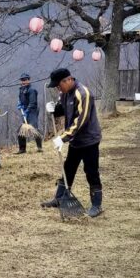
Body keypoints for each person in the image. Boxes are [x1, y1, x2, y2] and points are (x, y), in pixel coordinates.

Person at [42, 68, 103, 217]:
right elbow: (64, 110)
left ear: (68, 80)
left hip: (89, 140)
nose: (58, 88)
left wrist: (63, 138)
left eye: (58, 85)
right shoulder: (65, 93)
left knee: (91, 171)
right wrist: (54, 110)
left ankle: (96, 205)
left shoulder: (83, 94)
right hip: (75, 140)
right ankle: (59, 198)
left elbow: (80, 120)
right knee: (68, 168)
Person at [17, 73, 42, 153]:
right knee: (21, 130)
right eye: (22, 80)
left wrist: (27, 110)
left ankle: (39, 147)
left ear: (29, 80)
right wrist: (20, 104)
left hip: (32, 111)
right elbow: (21, 100)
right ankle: (22, 149)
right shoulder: (21, 89)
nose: (23, 82)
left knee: (34, 128)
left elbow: (33, 102)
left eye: (25, 80)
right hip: (24, 111)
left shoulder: (32, 90)